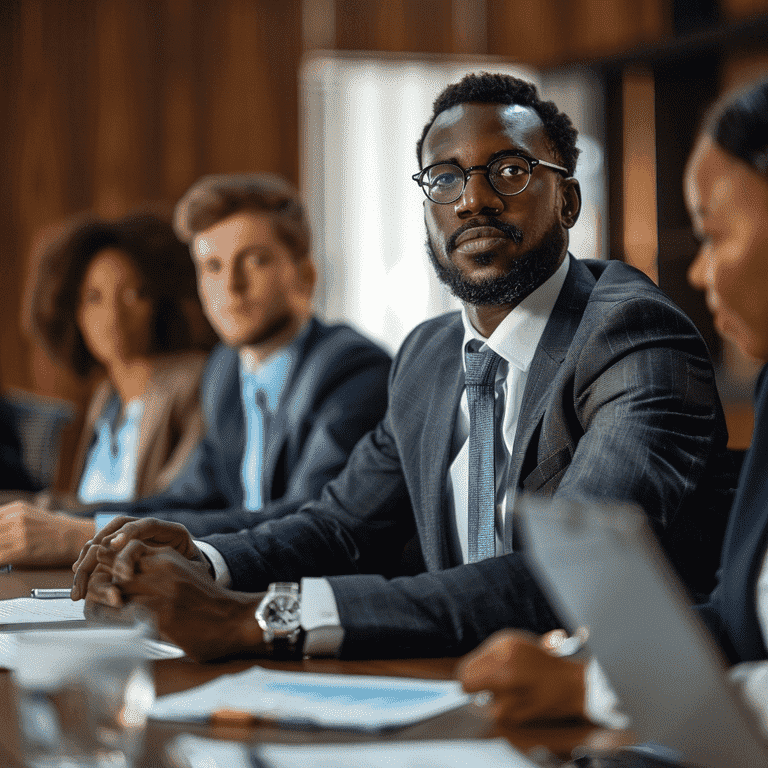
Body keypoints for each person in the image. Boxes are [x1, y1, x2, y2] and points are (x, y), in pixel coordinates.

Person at [73, 72, 733, 663]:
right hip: (447, 689)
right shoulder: (429, 355)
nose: (473, 199)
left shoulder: (631, 336)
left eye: (508, 171)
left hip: (604, 713)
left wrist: (262, 618)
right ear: (425, 212)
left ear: (568, 202)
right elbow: (342, 525)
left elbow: (575, 578)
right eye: (445, 178)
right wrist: (202, 560)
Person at [458, 75, 768, 731]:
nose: (697, 272)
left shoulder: (632, 334)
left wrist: (589, 691)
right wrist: (597, 668)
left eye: (714, 236)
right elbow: (742, 624)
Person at [0, 174, 392, 566]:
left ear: (305, 276)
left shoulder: (351, 371)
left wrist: (91, 536)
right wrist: (57, 520)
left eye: (254, 260)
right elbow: (186, 499)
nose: (231, 285)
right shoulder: (225, 370)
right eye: (213, 266)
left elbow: (309, 523)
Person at [0, 212, 214, 567]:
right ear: (72, 311)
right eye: (93, 297)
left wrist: (49, 513)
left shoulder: (193, 381)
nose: (113, 313)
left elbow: (181, 506)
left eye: (133, 294)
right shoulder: (105, 397)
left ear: (163, 301)